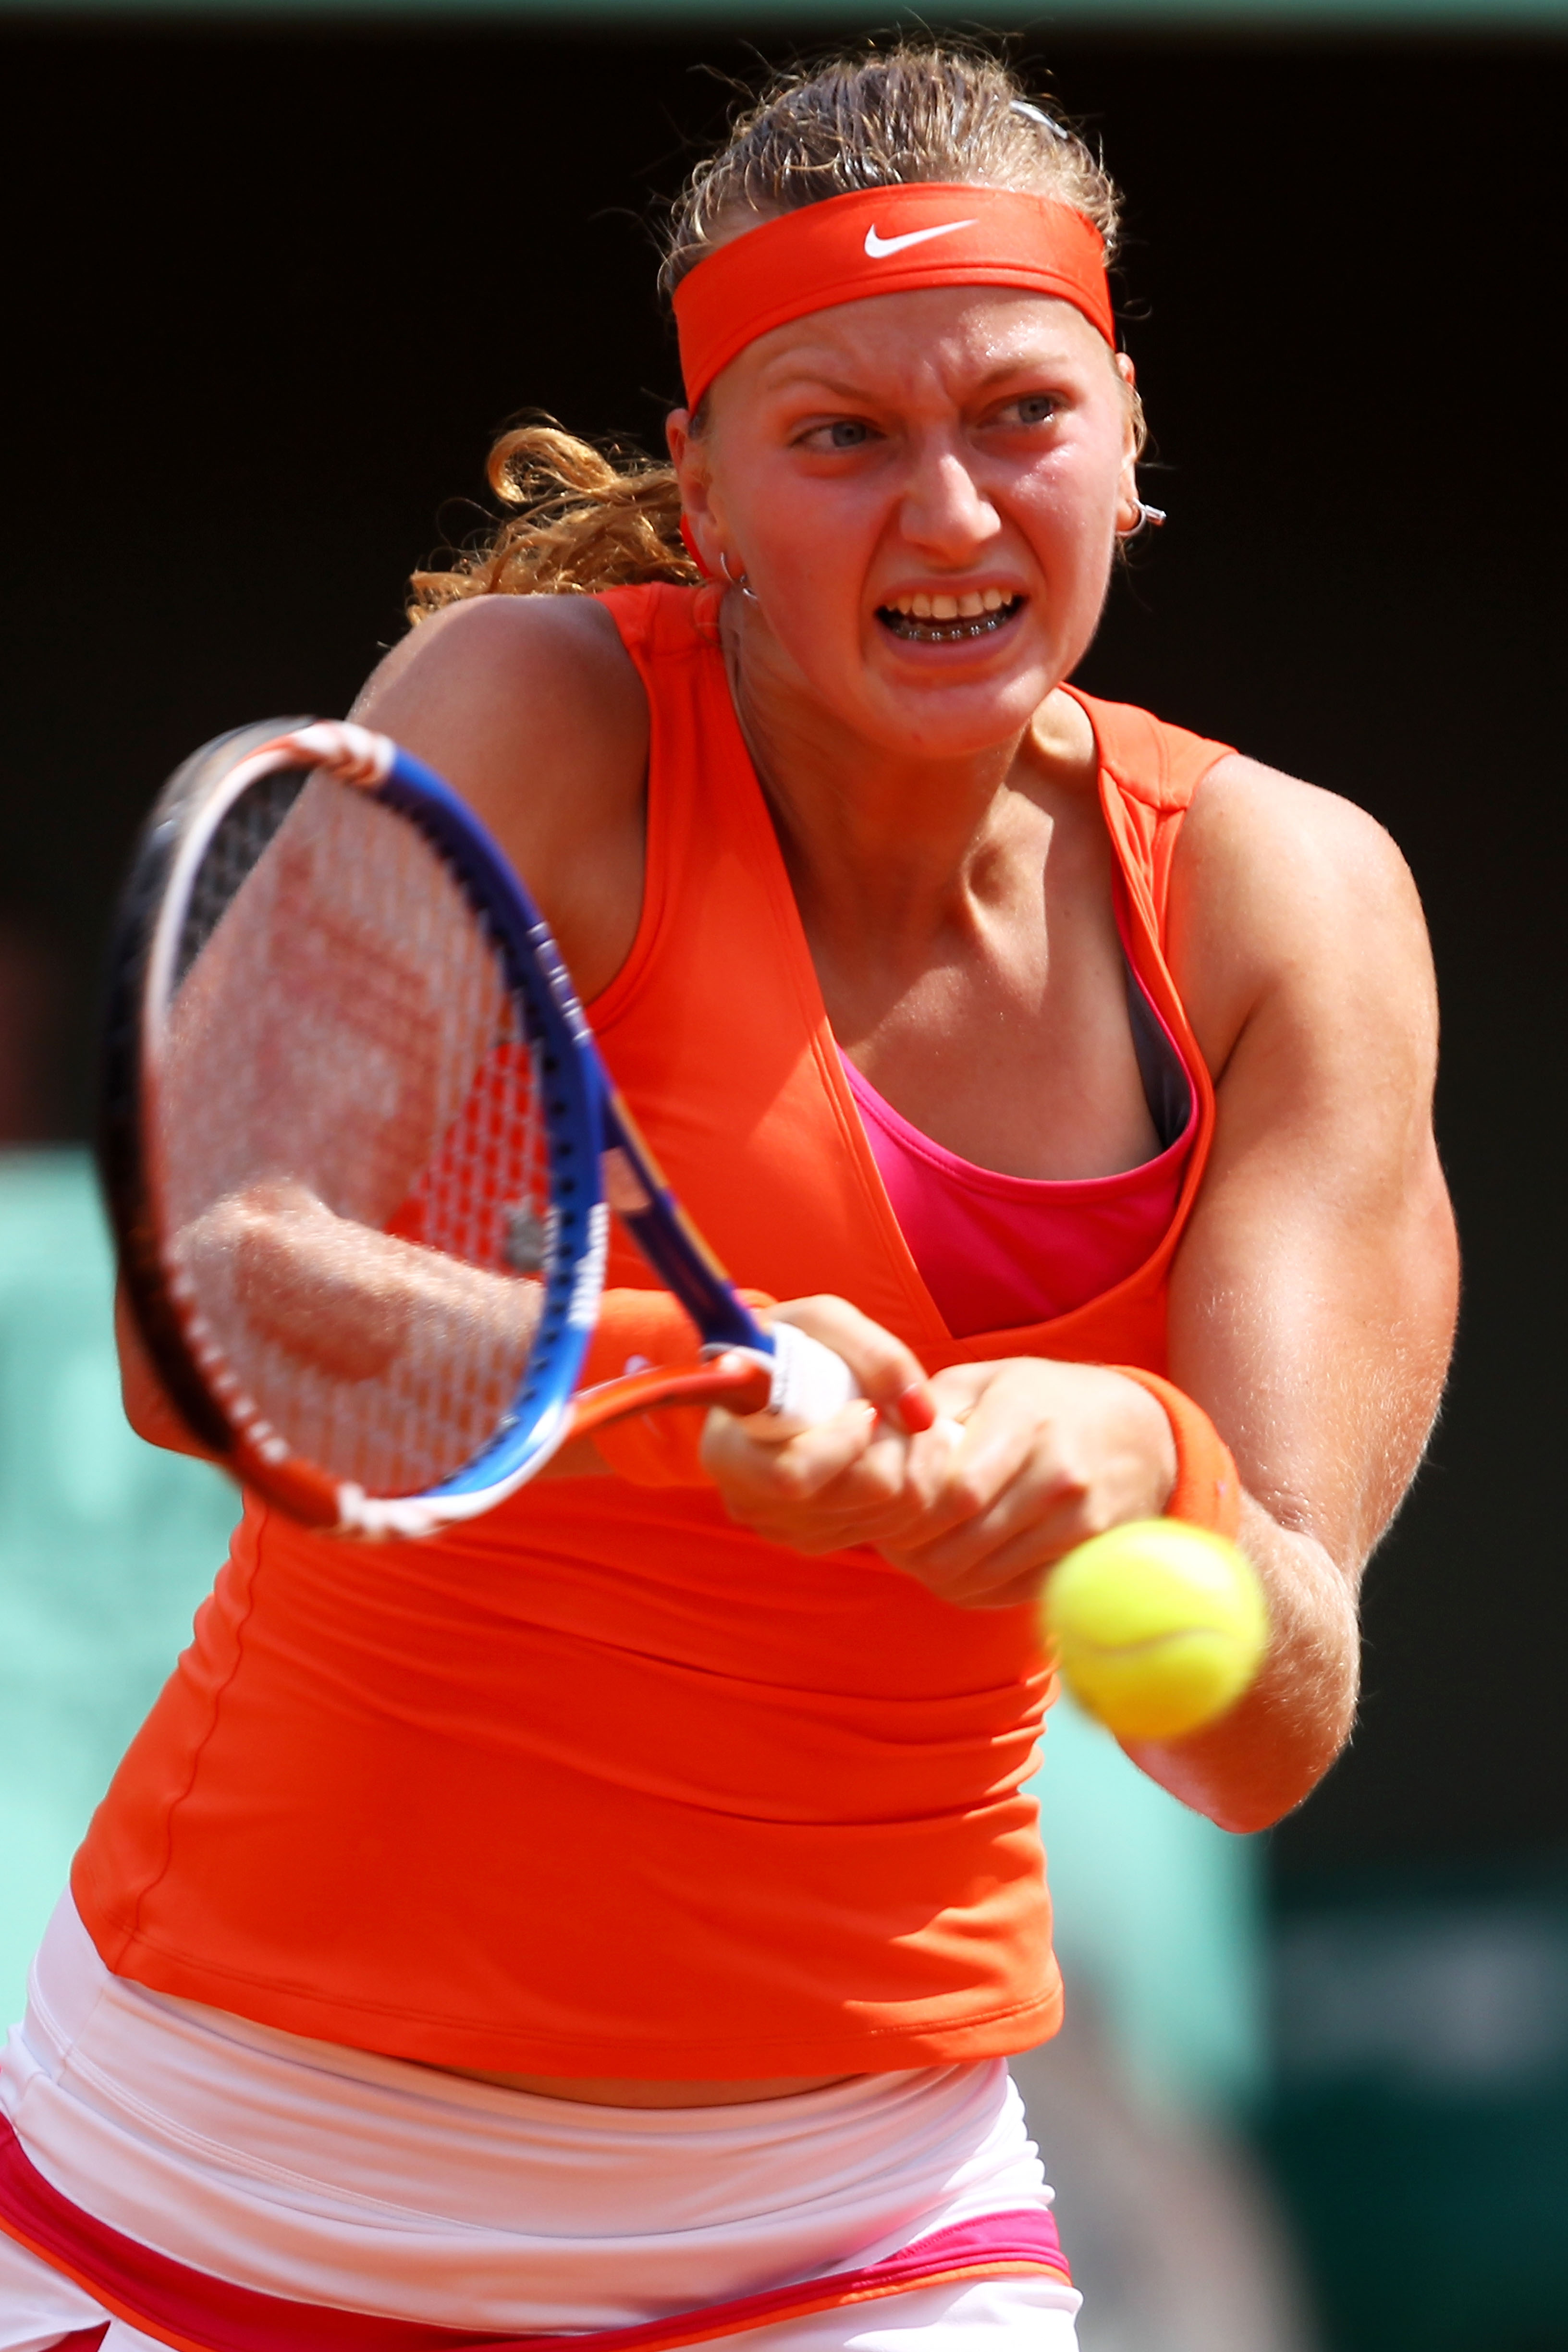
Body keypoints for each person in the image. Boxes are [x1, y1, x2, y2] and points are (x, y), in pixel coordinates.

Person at [0, 43, 1456, 2352]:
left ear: (1130, 435)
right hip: (209, 2193)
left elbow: (1266, 1724)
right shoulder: (533, 715)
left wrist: (1138, 1471)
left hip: (854, 2227)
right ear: (705, 487)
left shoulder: (1291, 907)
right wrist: (679, 1375)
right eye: (842, 436)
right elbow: (203, 1312)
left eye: (1018, 414)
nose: (955, 515)